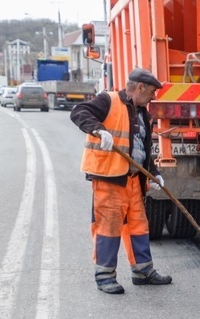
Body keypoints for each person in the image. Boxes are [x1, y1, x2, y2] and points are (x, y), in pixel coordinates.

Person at [70, 67, 172, 295]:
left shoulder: (143, 114)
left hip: (134, 181)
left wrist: (153, 173)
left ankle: (143, 271)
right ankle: (105, 276)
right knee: (109, 228)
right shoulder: (108, 100)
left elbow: (142, 149)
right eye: (152, 92)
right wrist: (98, 129)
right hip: (109, 178)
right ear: (140, 87)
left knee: (138, 227)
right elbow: (78, 112)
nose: (153, 97)